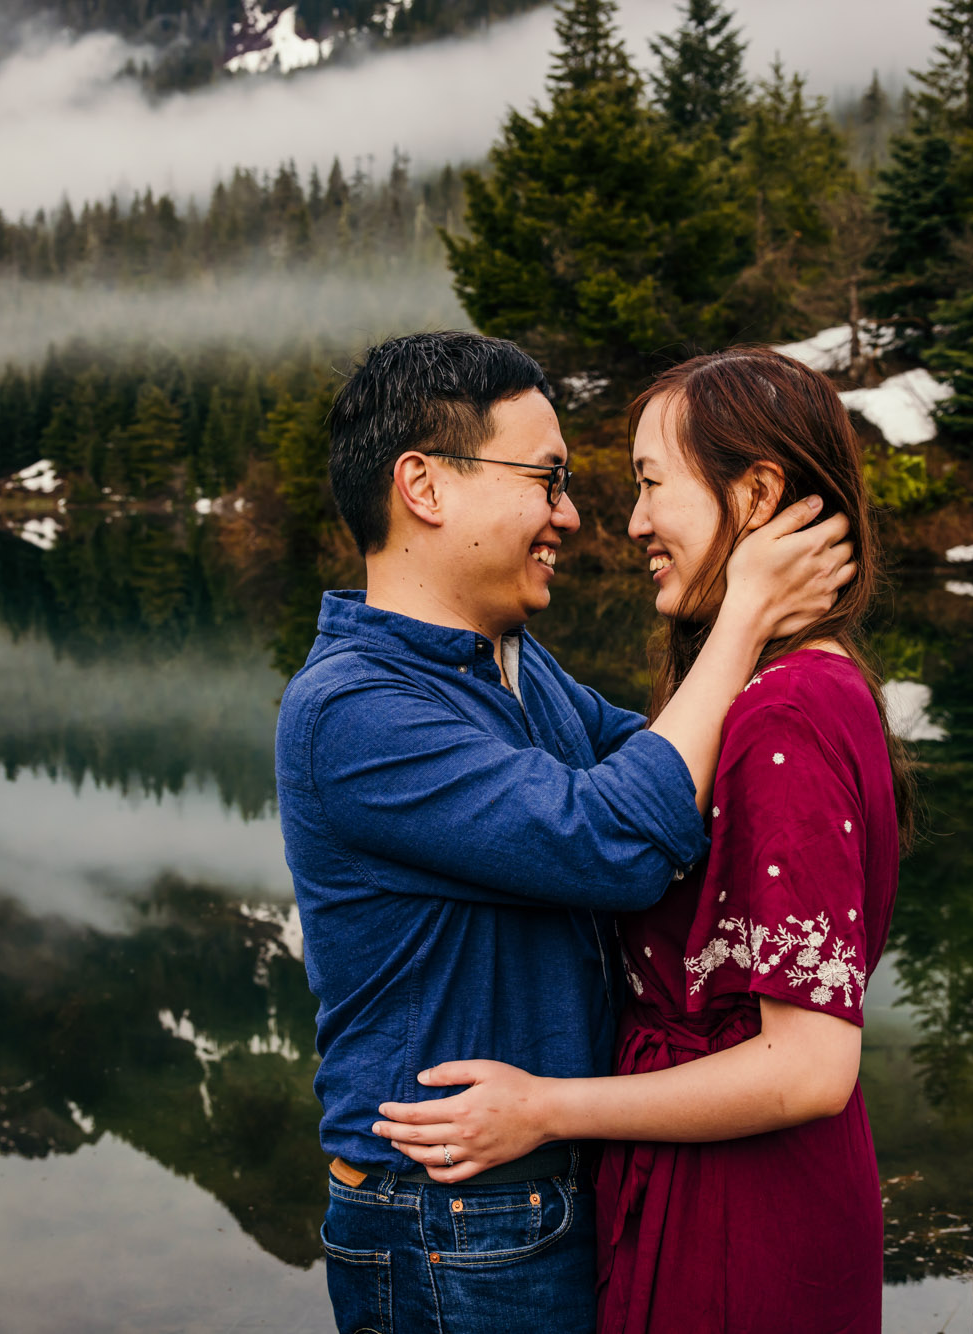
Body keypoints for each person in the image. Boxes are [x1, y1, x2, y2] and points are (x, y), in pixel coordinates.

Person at [275, 332, 856, 1334]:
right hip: (447, 1214)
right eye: (546, 478)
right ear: (423, 486)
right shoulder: (352, 711)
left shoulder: (509, 660)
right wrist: (746, 613)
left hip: (525, 1195)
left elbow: (680, 780)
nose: (572, 514)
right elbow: (612, 840)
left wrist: (809, 707)